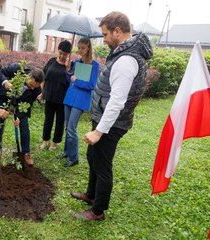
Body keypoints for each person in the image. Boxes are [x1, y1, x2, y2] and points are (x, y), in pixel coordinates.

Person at [71, 11, 153, 221]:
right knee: (92, 157)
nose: (104, 39)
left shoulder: (127, 59)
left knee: (102, 165)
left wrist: (99, 131)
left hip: (111, 123)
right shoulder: (125, 52)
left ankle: (98, 211)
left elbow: (117, 101)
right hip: (105, 118)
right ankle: (91, 195)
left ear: (118, 31)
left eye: (106, 34)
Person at [0, 63, 44, 165]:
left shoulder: (36, 89)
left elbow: (27, 105)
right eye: (31, 85)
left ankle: (26, 153)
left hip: (20, 103)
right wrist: (5, 82)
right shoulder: (18, 68)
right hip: (4, 96)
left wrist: (18, 117)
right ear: (29, 76)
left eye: (34, 87)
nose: (32, 88)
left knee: (24, 125)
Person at [62, 37, 100, 168]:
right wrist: (68, 70)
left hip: (80, 100)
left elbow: (92, 85)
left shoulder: (95, 65)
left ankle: (74, 158)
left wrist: (76, 80)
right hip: (70, 97)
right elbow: (70, 79)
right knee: (67, 127)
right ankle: (66, 152)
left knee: (72, 128)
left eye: (83, 48)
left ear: (89, 48)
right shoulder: (77, 62)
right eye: (79, 48)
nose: (80, 50)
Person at [38, 40, 72, 151]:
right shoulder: (52, 61)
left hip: (62, 98)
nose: (62, 56)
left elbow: (72, 82)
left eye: (65, 54)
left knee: (59, 121)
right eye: (60, 53)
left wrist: (68, 69)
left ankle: (55, 142)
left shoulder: (71, 65)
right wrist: (42, 92)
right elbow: (43, 77)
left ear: (69, 54)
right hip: (49, 95)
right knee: (48, 119)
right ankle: (45, 140)